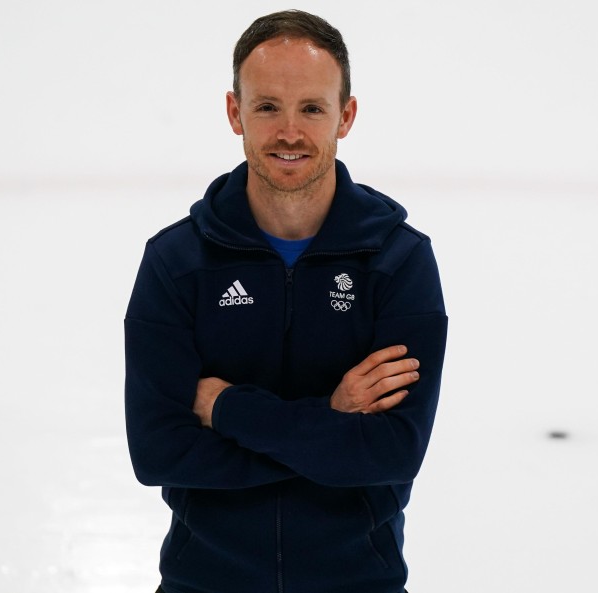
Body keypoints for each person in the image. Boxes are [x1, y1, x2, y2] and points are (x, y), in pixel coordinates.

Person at [124, 9, 447, 593]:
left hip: (359, 582)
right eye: (268, 106)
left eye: (312, 109)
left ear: (345, 116)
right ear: (235, 113)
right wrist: (332, 423)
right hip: (203, 582)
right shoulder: (177, 263)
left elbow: (394, 452)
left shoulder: (398, 262)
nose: (290, 132)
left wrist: (228, 411)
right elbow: (158, 452)